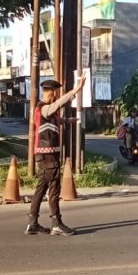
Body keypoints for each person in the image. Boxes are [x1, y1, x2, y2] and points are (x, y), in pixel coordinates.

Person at [27, 74, 86, 236]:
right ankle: (56, 224)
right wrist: (76, 90)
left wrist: (67, 121)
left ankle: (32, 223)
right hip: (47, 156)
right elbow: (57, 105)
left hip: (45, 155)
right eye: (54, 92)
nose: (56, 95)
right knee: (54, 188)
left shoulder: (47, 111)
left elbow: (54, 120)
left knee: (41, 188)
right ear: (50, 92)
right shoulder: (43, 107)